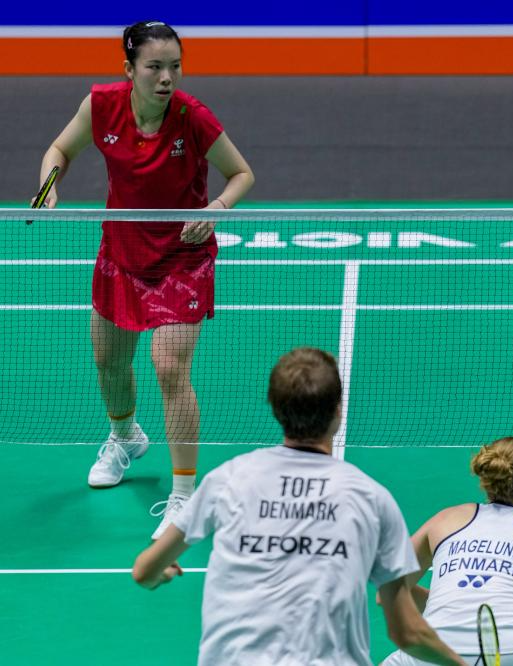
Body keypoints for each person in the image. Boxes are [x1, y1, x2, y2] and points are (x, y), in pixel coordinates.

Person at [34, 20, 255, 537]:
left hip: (182, 256)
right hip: (123, 250)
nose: (166, 77)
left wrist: (217, 208)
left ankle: (184, 494)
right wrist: (49, 183)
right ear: (129, 69)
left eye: (174, 66)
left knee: (169, 366)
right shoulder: (101, 106)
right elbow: (59, 151)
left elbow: (242, 173)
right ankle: (125, 437)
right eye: (154, 67)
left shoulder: (192, 116)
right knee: (109, 361)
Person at [132, 347, 464, 666]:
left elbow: (144, 571)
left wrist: (160, 574)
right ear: (338, 411)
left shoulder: (228, 479)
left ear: (274, 408)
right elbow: (406, 632)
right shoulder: (371, 498)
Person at [382, 436, 513, 666]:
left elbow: (387, 591)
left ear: (485, 480)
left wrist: (453, 609)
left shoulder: (444, 519)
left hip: (433, 646)